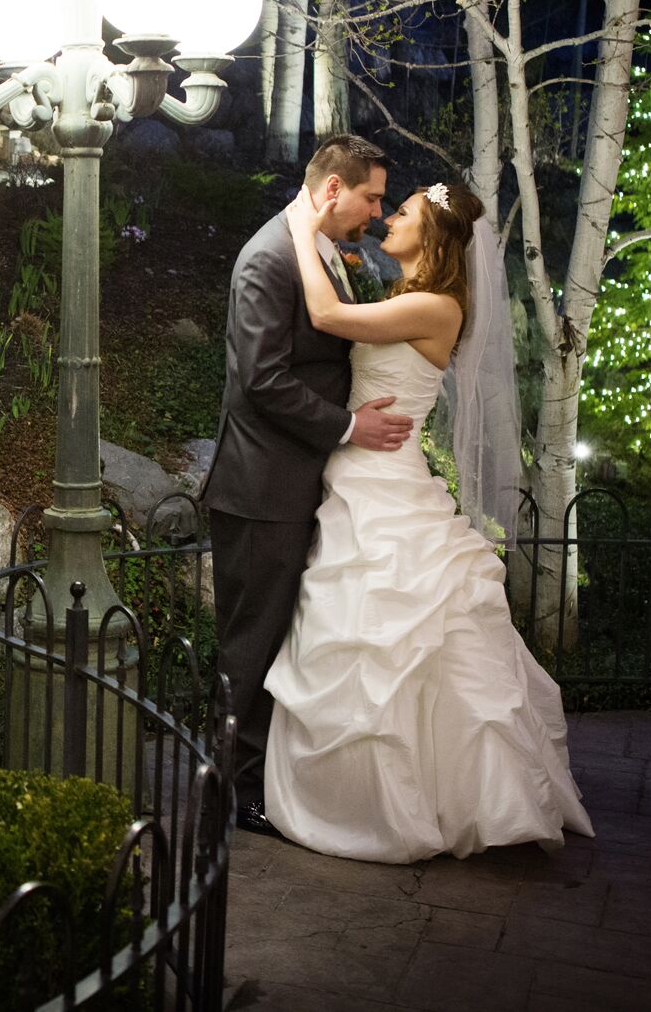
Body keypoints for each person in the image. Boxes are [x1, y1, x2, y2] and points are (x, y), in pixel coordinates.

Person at [263, 178, 594, 862]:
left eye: (404, 211)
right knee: (376, 639)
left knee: (395, 637)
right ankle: (370, 792)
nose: (389, 218)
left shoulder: (437, 305)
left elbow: (326, 316)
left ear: (433, 236)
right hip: (362, 478)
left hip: (387, 489)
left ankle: (436, 800)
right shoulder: (404, 296)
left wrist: (302, 224)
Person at [199, 135, 414, 837]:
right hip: (261, 490)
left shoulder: (323, 250)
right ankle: (227, 794)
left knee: (272, 642)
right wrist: (349, 428)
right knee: (248, 646)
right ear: (331, 191)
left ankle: (257, 780)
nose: (377, 213)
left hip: (293, 485)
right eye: (371, 197)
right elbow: (263, 381)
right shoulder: (269, 256)